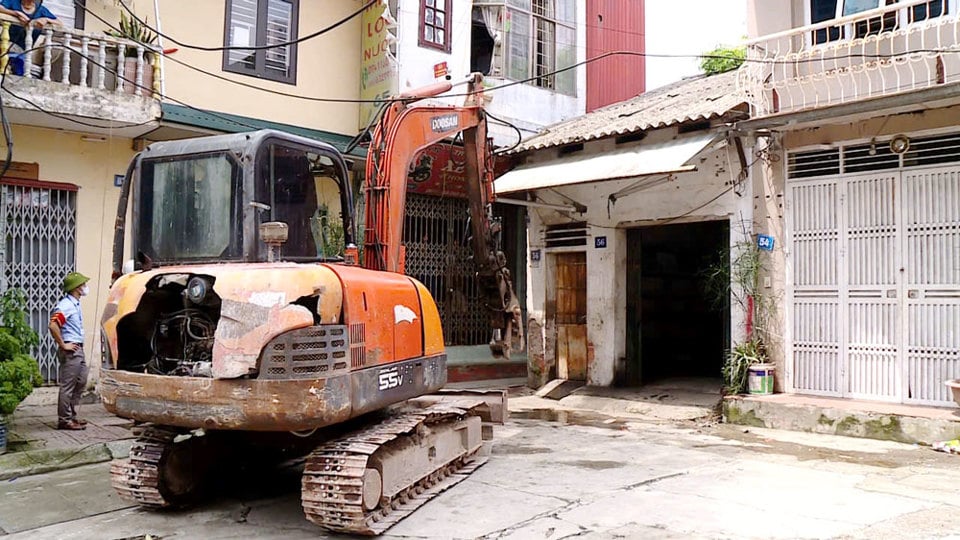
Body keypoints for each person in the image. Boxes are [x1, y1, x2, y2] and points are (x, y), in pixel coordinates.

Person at [48, 271, 89, 431]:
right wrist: (63, 345)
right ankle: (64, 419)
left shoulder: (74, 305)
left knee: (81, 381)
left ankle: (71, 415)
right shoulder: (65, 305)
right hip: (71, 350)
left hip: (78, 348)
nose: (86, 287)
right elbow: (53, 325)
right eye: (83, 284)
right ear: (77, 288)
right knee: (68, 385)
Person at [0, 0, 60, 76]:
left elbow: (59, 23)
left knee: (21, 69)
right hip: (6, 45)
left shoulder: (40, 10)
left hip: (23, 51)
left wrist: (46, 19)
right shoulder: (13, 2)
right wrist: (16, 13)